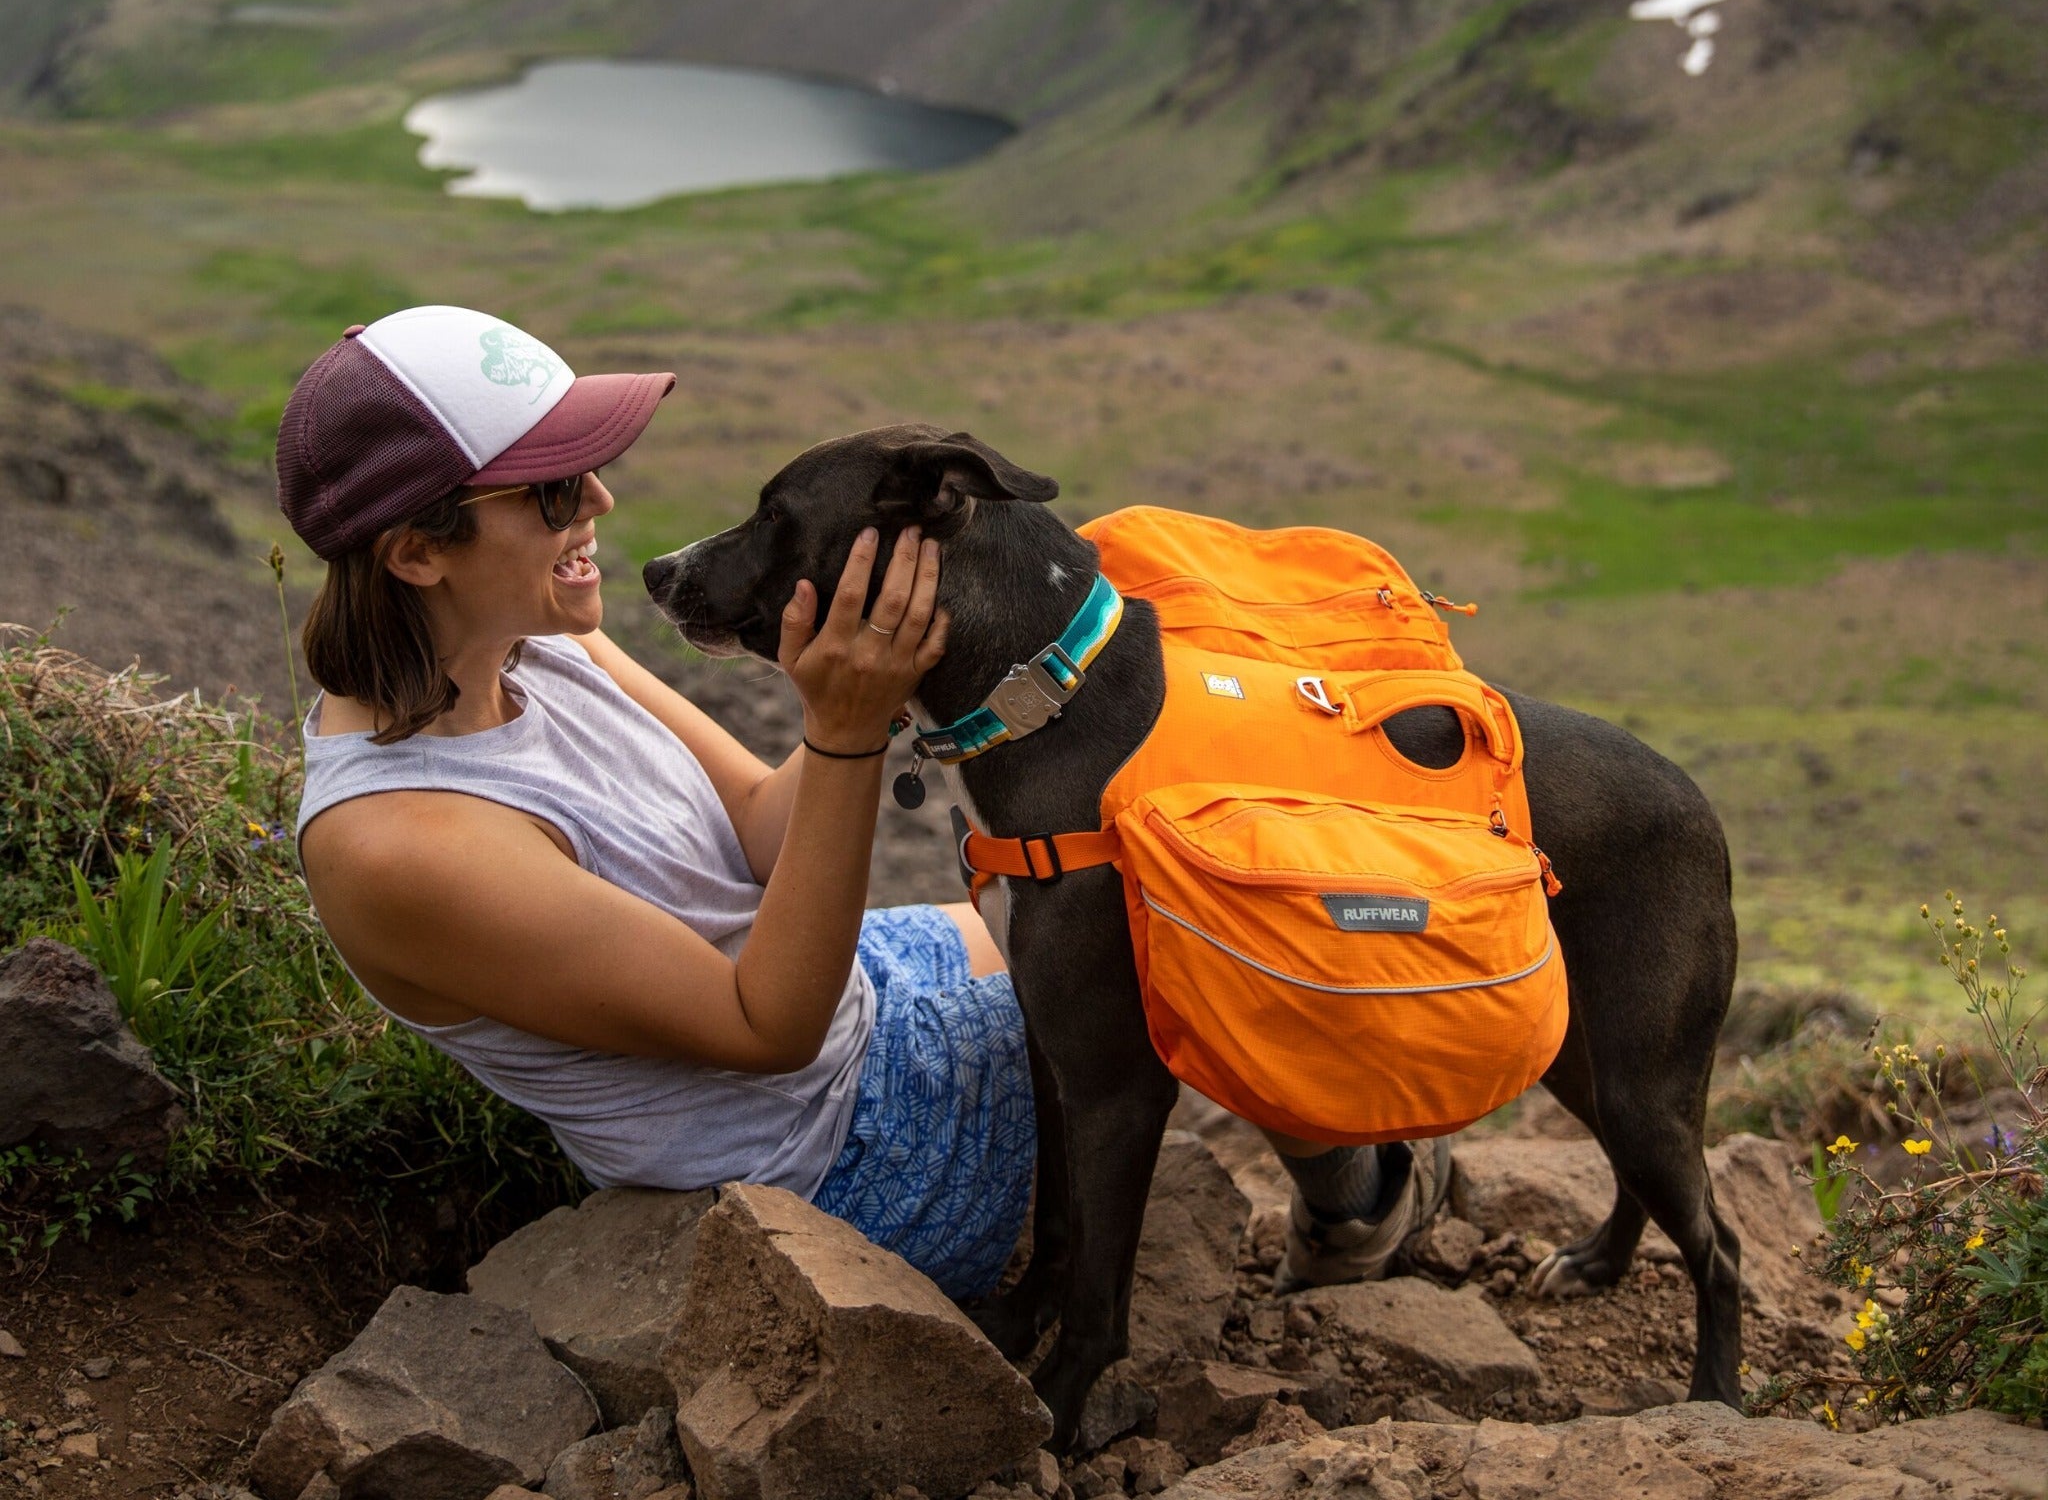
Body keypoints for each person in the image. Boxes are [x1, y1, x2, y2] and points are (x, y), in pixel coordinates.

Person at [277, 304, 1447, 1300]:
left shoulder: (526, 647)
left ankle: (1354, 1160)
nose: (600, 496)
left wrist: (881, 674)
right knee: (1179, 949)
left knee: (1135, 893)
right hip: (831, 1160)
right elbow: (760, 1026)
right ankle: (1365, 1195)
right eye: (546, 488)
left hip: (857, 1007)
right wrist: (838, 734)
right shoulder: (399, 842)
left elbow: (748, 825)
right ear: (415, 553)